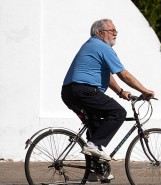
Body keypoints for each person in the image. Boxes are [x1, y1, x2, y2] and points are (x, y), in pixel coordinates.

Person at [61, 19, 154, 162]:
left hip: (69, 93)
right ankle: (94, 145)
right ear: (100, 32)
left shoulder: (90, 45)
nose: (115, 34)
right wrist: (145, 90)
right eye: (112, 31)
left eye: (116, 31)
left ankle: (94, 170)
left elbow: (106, 75)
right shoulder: (102, 47)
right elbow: (124, 75)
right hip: (84, 91)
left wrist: (120, 92)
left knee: (96, 127)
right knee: (118, 113)